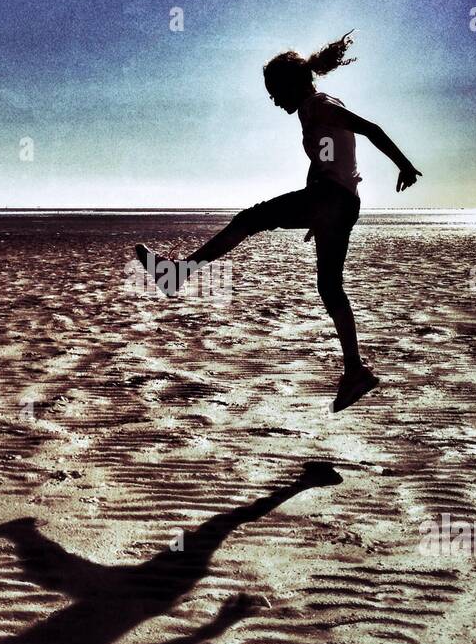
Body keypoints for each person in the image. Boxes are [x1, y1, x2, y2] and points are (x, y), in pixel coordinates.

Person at [135, 31, 421, 412]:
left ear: (292, 84)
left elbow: (370, 129)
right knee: (329, 287)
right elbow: (326, 159)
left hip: (331, 201)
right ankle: (355, 370)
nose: (274, 100)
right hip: (341, 204)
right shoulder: (320, 107)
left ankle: (178, 274)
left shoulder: (316, 105)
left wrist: (403, 165)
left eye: (275, 91)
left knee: (249, 218)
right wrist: (314, 212)